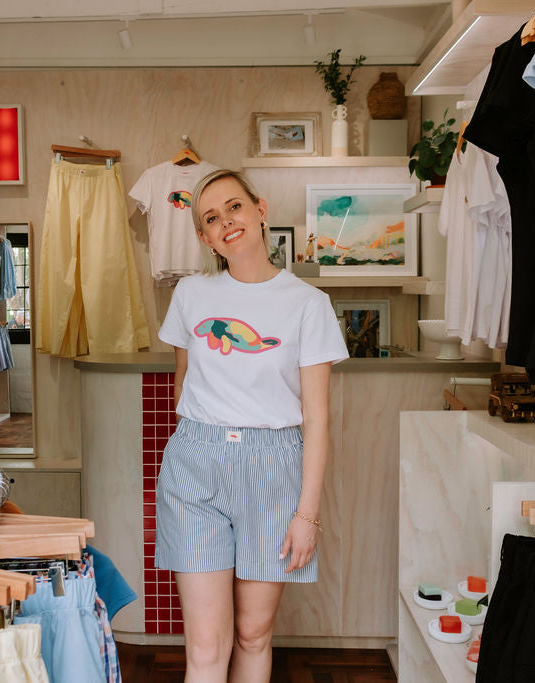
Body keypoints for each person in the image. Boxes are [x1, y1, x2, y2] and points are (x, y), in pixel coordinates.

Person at [156, 169, 348, 681]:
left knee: (254, 634)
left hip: (274, 468)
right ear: (203, 237)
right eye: (211, 219)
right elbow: (184, 384)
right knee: (205, 645)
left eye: (234, 207)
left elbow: (318, 418)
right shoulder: (190, 295)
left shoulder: (309, 305)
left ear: (260, 209)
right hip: (196, 465)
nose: (226, 223)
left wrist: (307, 514)